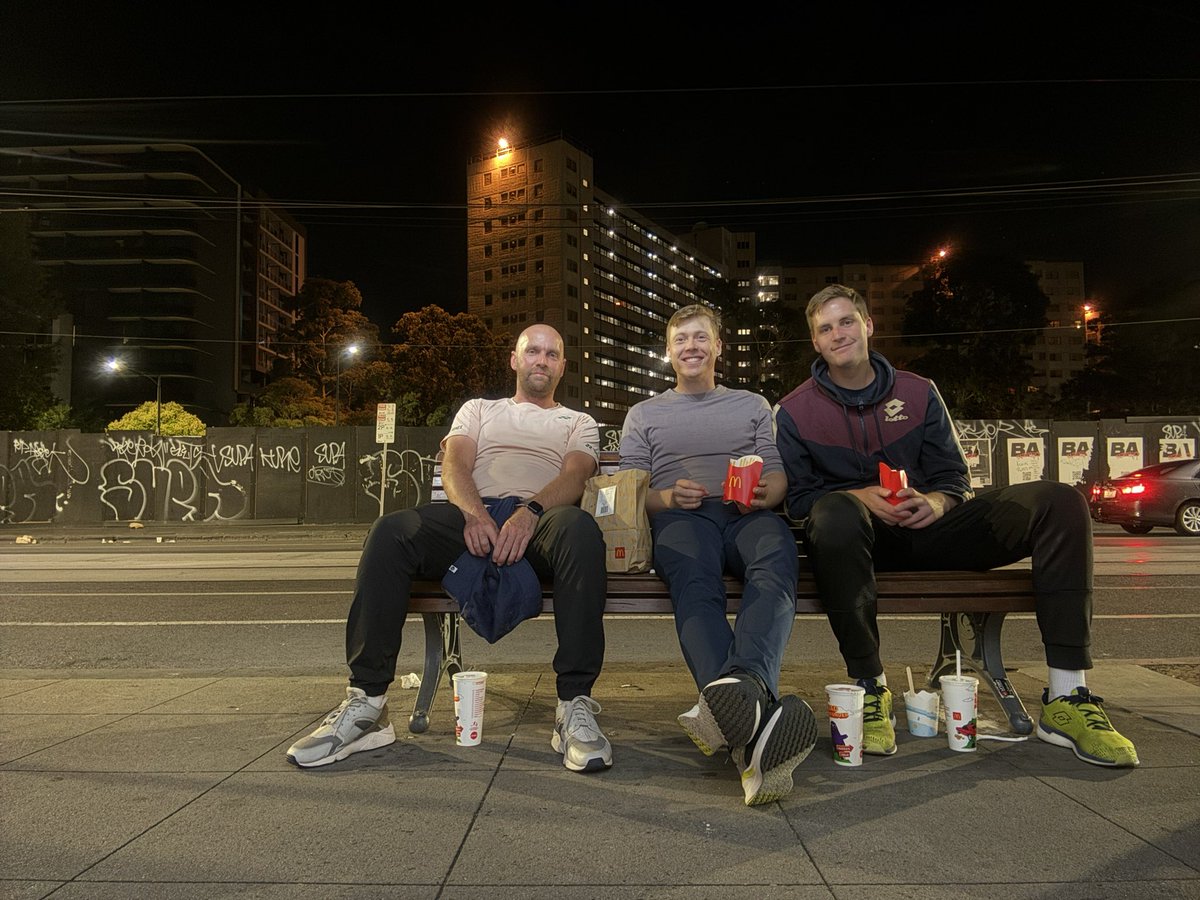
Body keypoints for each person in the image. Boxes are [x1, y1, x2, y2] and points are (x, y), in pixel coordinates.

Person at [775, 284, 1138, 767]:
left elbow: (954, 478)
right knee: (834, 511)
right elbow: (798, 500)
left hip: (932, 532)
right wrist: (858, 496)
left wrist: (938, 502)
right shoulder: (794, 411)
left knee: (1062, 502)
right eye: (825, 328)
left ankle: (1068, 697)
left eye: (846, 321)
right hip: (856, 544)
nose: (838, 334)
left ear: (868, 326)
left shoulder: (918, 392)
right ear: (815, 344)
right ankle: (869, 688)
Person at [287, 324, 613, 773]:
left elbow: (576, 475)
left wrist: (530, 511)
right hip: (472, 518)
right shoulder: (478, 409)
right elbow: (456, 463)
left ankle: (573, 705)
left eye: (552, 354)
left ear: (562, 366)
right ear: (514, 360)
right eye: (532, 351)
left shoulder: (578, 421)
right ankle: (368, 704)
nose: (541, 359)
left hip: (539, 521)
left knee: (580, 530)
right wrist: (475, 515)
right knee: (389, 532)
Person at [619, 304, 817, 806]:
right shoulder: (644, 414)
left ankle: (742, 690)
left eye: (701, 337)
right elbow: (629, 489)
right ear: (668, 352)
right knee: (695, 582)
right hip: (681, 518)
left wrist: (763, 496)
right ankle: (753, 735)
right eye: (681, 339)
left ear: (718, 347)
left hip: (747, 514)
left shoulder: (752, 404)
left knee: (776, 561)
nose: (691, 346)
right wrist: (666, 498)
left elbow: (776, 474)